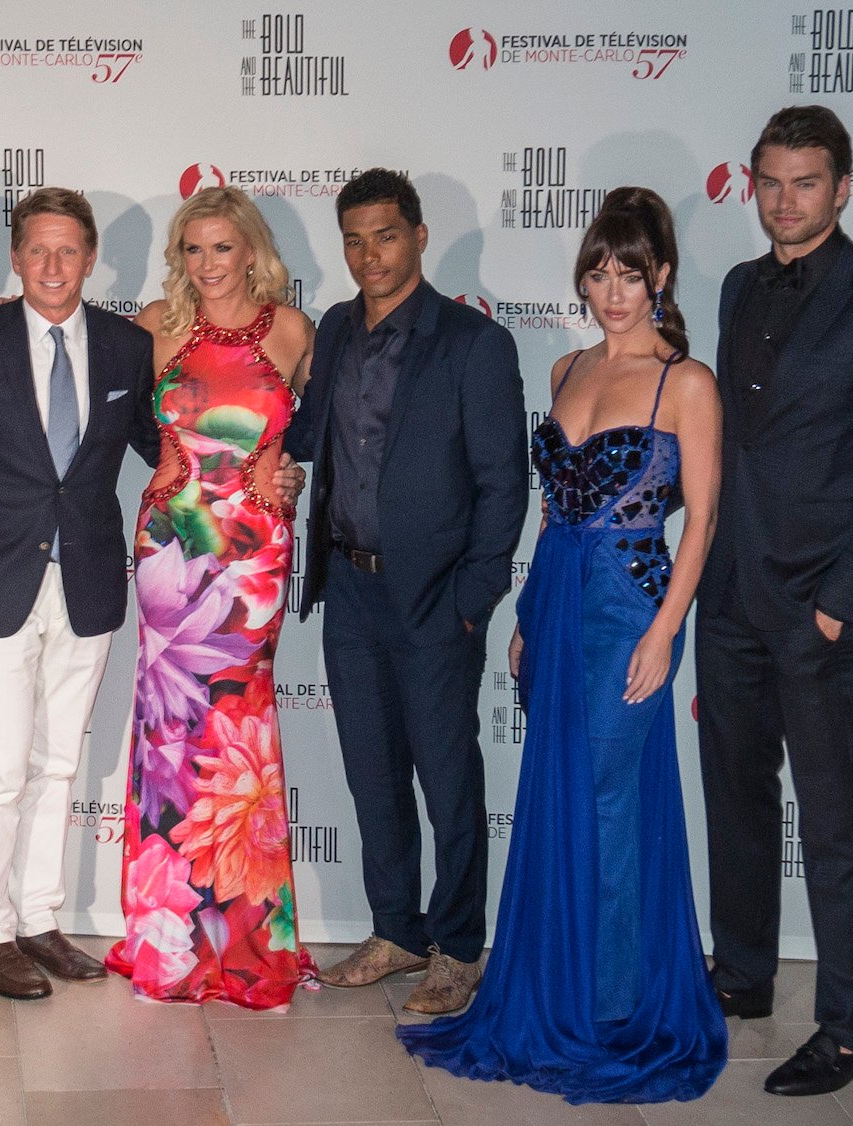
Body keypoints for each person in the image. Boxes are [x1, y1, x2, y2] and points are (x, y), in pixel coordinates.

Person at [398, 188, 728, 1102]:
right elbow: (554, 510)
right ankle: (553, 984)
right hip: (555, 603)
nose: (613, 289)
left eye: (630, 271)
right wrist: (524, 613)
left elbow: (700, 520)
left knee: (612, 802)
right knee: (553, 799)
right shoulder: (567, 368)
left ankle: (616, 1007)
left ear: (661, 274)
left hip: (630, 607)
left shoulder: (685, 383)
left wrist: (666, 631)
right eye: (598, 271)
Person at [697, 105, 853, 1098]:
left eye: (804, 182)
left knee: (831, 820)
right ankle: (742, 974)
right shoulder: (736, 286)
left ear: (841, 189)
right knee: (734, 796)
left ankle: (848, 1030)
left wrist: (838, 601)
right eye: (768, 181)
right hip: (727, 594)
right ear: (749, 184)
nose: (783, 200)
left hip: (815, 610)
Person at [286, 169, 528, 1015]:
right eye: (353, 239)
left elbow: (505, 483)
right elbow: (305, 434)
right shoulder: (338, 327)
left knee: (448, 776)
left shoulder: (473, 343)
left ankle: (458, 947)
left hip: (435, 599)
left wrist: (474, 598)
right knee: (372, 773)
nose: (368, 254)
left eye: (384, 235)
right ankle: (395, 929)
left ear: (419, 236)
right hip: (349, 588)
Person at [0, 187, 160, 1000]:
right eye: (38, 250)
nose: (54, 266)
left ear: (90, 259)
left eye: (69, 251)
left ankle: (38, 918)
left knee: (57, 764)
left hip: (88, 578)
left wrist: (263, 461)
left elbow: (167, 450)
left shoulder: (131, 348)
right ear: (16, 257)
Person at [104, 185, 320, 1008]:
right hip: (175, 544)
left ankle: (247, 940)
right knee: (170, 734)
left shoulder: (295, 331)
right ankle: (168, 938)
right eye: (193, 249)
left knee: (240, 731)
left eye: (221, 248)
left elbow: (319, 425)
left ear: (251, 250)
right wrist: (160, 459)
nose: (207, 264)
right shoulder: (154, 325)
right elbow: (114, 412)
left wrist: (287, 461)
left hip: (253, 550)